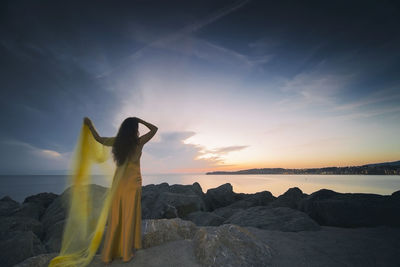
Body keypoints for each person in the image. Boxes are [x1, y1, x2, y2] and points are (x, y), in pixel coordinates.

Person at [84, 116, 158, 264]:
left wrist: (90, 126)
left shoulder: (117, 142)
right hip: (133, 184)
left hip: (118, 183)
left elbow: (98, 139)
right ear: (135, 129)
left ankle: (109, 254)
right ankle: (125, 254)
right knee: (129, 216)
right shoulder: (138, 142)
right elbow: (154, 129)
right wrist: (140, 120)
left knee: (116, 217)